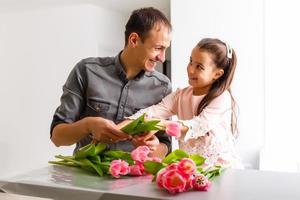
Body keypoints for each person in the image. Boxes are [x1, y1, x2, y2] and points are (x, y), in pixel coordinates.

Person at [50, 7, 172, 158]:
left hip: (135, 177)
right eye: (158, 48)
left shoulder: (162, 87)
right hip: (86, 177)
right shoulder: (86, 71)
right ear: (134, 40)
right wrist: (88, 125)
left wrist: (153, 147)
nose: (162, 57)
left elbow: (165, 146)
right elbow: (57, 137)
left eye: (165, 49)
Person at [129, 38, 243, 168]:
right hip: (192, 171)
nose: (190, 70)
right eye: (191, 62)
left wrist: (158, 125)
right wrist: (121, 128)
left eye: (199, 67)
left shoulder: (222, 98)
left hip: (222, 171)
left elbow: (198, 125)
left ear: (217, 74)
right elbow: (153, 111)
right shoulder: (180, 96)